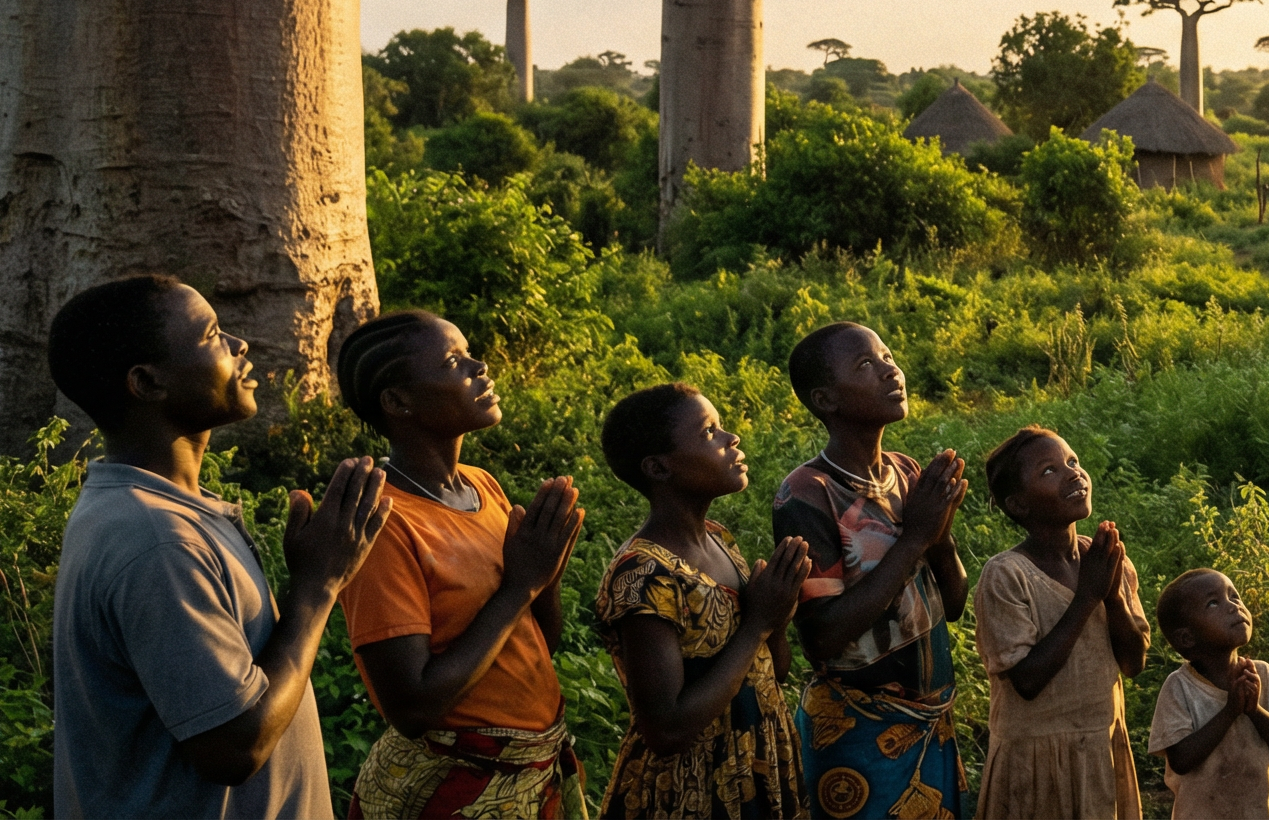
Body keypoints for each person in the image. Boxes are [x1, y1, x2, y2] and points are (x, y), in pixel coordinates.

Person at [49, 275, 391, 820]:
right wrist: (317, 588)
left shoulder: (156, 509)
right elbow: (235, 745)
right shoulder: (156, 538)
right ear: (147, 382)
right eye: (212, 335)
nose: (240, 345)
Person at [332, 312, 586, 820]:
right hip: (451, 788)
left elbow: (532, 644)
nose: (479, 365)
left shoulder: (480, 486)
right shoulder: (384, 520)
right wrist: (520, 587)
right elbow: (412, 708)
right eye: (454, 361)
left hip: (533, 771)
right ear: (398, 402)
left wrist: (545, 577)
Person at [772, 323, 970, 820]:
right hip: (858, 733)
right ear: (826, 399)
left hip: (930, 722)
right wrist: (916, 537)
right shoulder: (808, 492)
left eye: (887, 355)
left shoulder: (905, 473)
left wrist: (938, 535)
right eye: (865, 364)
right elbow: (823, 637)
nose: (890, 369)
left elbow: (954, 604)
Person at [594, 383, 812, 820]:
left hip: (759, 767)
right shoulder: (643, 575)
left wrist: (776, 621)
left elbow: (772, 671)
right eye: (710, 432)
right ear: (658, 467)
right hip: (689, 792)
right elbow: (667, 730)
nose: (731, 438)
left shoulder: (719, 539)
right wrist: (757, 626)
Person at [974, 427, 1149, 820]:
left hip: (1100, 748)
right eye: (1049, 471)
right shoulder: (1006, 575)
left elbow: (1133, 663)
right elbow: (1028, 681)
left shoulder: (1106, 559)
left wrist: (1112, 594)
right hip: (1035, 761)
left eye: (1072, 462)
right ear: (1019, 505)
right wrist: (1088, 596)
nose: (1073, 474)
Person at [1146, 569, 1269, 819]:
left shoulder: (1264, 676)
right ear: (1187, 638)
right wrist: (1230, 711)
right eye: (1213, 603)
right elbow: (1181, 760)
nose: (1233, 606)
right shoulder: (1180, 688)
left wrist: (1254, 710)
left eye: (1234, 596)